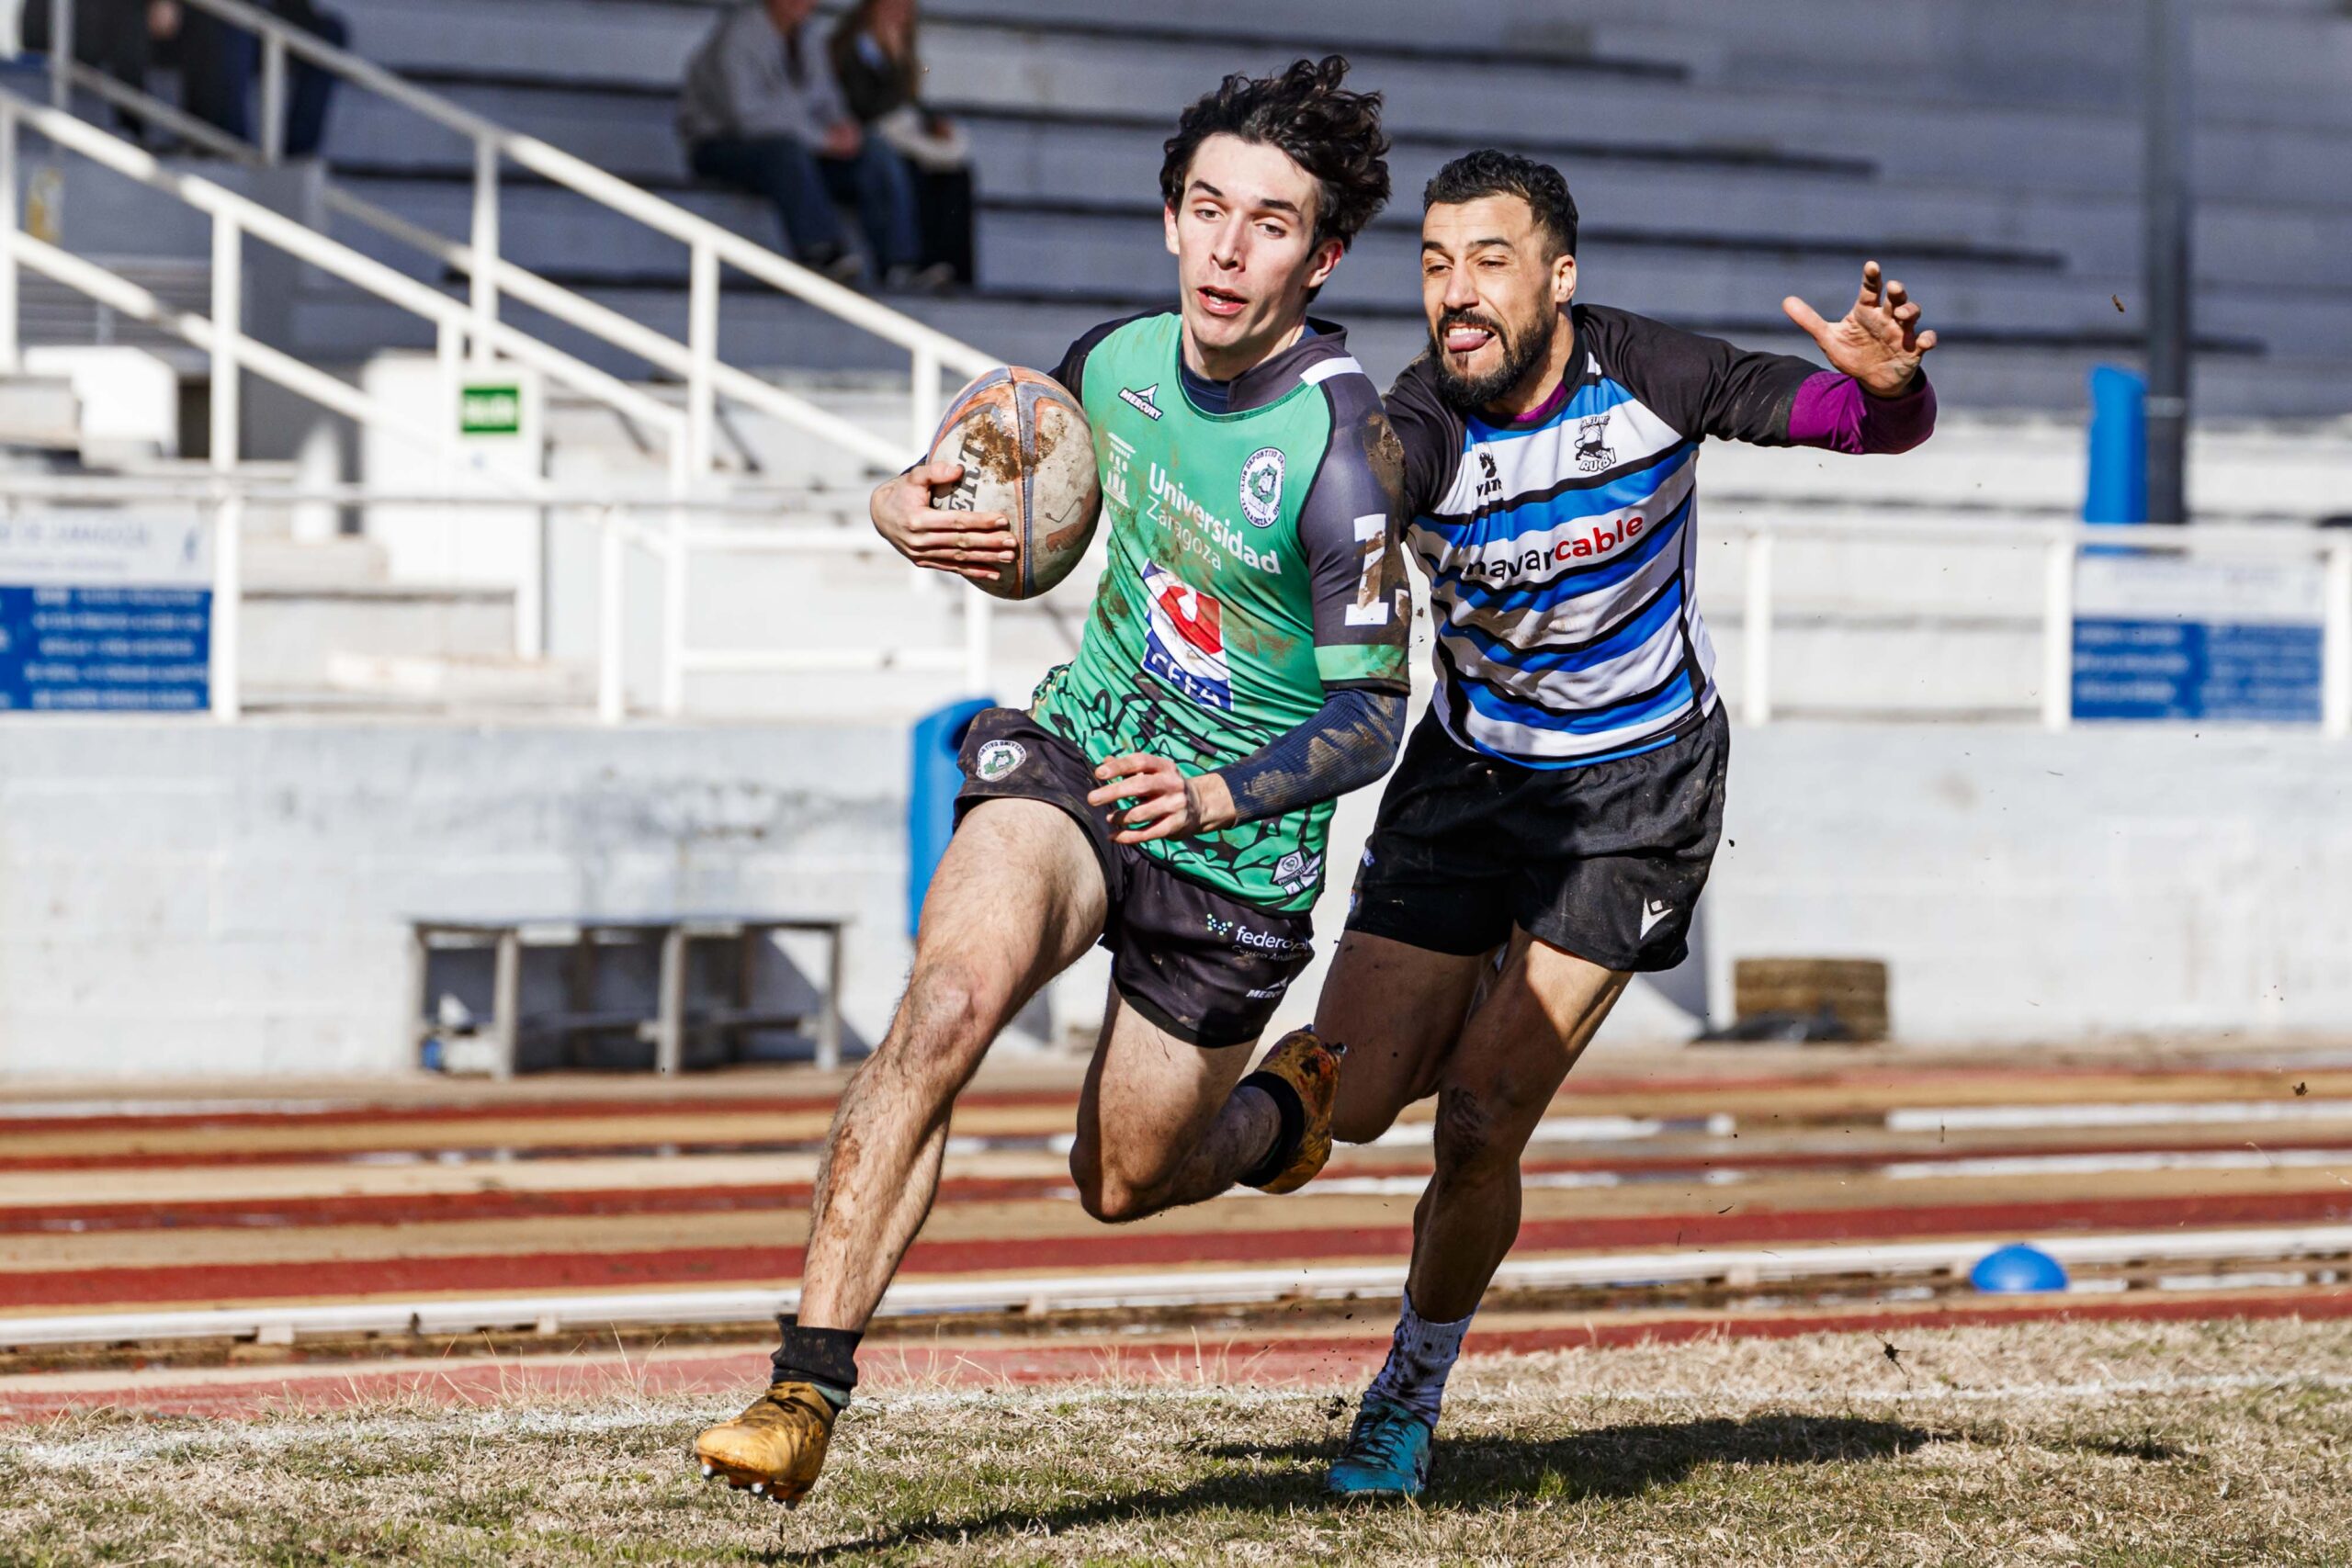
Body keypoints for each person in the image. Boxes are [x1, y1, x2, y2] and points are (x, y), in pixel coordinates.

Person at [689, 55, 1411, 1507]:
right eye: (1206, 208)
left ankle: (1285, 1114)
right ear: (1167, 220)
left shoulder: (1346, 451)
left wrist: (1218, 797)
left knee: (1124, 1175)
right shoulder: (1111, 363)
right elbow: (1002, 503)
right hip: (1078, 755)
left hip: (1233, 846)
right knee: (946, 1001)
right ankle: (802, 1386)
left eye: (1269, 223)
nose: (1226, 245)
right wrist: (906, 502)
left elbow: (1376, 717)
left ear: (1322, 255)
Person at [1315, 151, 1940, 1500]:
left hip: (1633, 792)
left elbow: (1860, 424)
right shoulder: (1421, 417)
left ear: (1561, 277)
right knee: (1346, 1102)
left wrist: (1891, 389)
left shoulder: (1652, 373)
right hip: (1471, 777)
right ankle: (1460, 989)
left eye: (1489, 259)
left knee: (1479, 1117)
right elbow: (1376, 478)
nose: (1456, 292)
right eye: (1433, 263)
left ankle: (1407, 1391)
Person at [677, 0, 920, 288]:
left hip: (800, 146)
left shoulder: (809, 36)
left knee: (873, 149)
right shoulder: (738, 35)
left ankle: (898, 262)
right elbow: (748, 118)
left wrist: (844, 129)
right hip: (720, 144)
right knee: (786, 154)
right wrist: (822, 139)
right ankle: (820, 250)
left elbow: (828, 99)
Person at [829, 0, 970, 291]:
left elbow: (912, 106)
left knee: (956, 174)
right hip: (866, 141)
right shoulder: (846, 50)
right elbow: (866, 108)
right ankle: (910, 262)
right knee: (908, 170)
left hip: (900, 136)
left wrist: (933, 124)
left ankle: (952, 269)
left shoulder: (903, 52)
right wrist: (896, 68)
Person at [175, 0, 349, 159]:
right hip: (216, 17)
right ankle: (229, 146)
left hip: (271, 15)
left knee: (330, 34)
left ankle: (298, 154)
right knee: (236, 25)